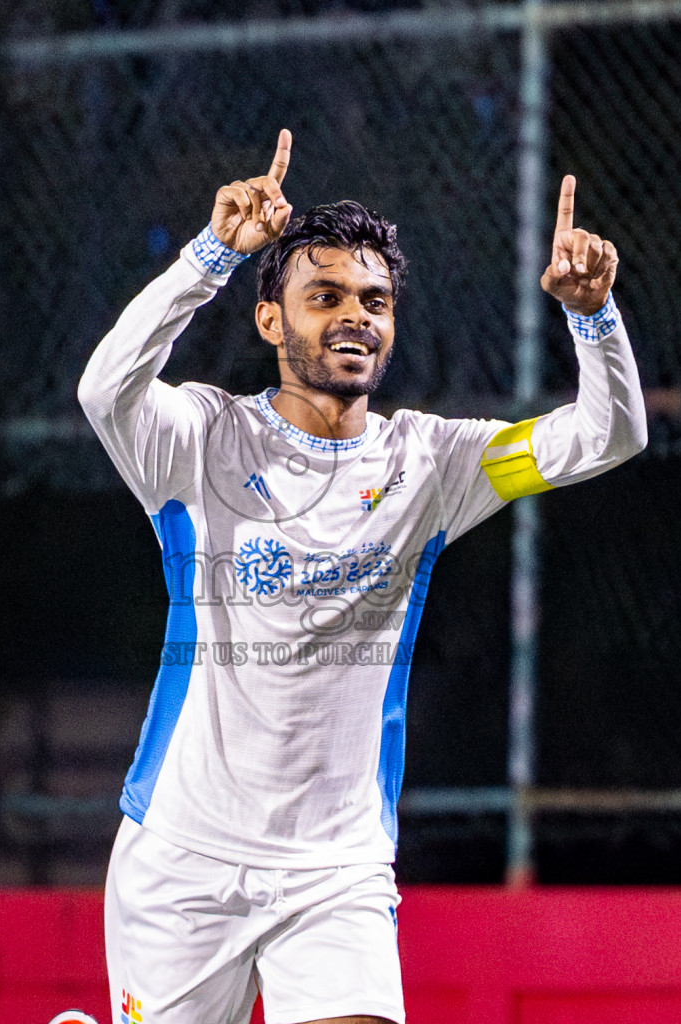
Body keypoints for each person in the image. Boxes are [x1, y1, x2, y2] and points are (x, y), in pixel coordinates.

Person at [77, 129, 646, 1024]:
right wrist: (213, 254)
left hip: (336, 869)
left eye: (375, 301)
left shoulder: (434, 464)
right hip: (184, 856)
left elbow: (608, 436)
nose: (356, 315)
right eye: (326, 296)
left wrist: (593, 319)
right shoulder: (199, 440)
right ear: (271, 320)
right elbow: (106, 389)